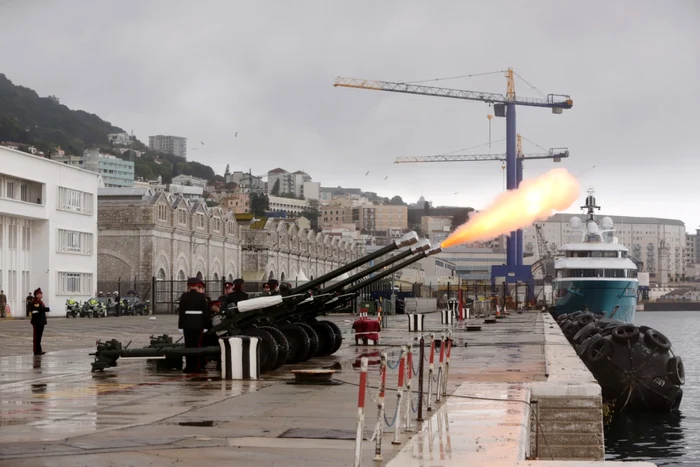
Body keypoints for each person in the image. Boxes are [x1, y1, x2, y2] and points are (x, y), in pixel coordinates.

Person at [178, 278, 211, 373]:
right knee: (197, 346)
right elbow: (205, 313)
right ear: (197, 286)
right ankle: (196, 366)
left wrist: (180, 326)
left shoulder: (184, 296)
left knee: (188, 345)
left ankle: (188, 366)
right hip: (198, 324)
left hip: (187, 324)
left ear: (188, 286)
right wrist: (206, 326)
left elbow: (181, 313)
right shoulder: (201, 297)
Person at [30, 288, 49, 355]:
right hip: (37, 321)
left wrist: (45, 309)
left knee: (39, 337)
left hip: (41, 321)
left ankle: (39, 350)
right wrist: (46, 309)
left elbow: (41, 309)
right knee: (36, 337)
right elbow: (38, 309)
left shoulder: (40, 301)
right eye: (40, 293)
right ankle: (36, 350)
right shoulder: (35, 301)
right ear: (37, 295)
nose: (42, 294)